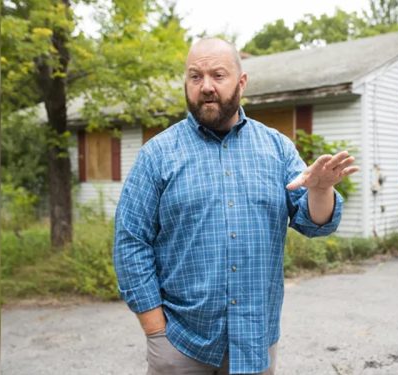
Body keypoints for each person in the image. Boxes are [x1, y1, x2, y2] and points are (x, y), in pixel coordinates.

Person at [113, 38, 359, 375]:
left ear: (241, 83)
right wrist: (155, 327)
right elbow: (130, 240)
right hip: (181, 343)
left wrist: (320, 190)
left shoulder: (276, 148)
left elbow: (315, 223)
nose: (207, 87)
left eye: (218, 75)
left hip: (254, 339)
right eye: (195, 77)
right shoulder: (157, 155)